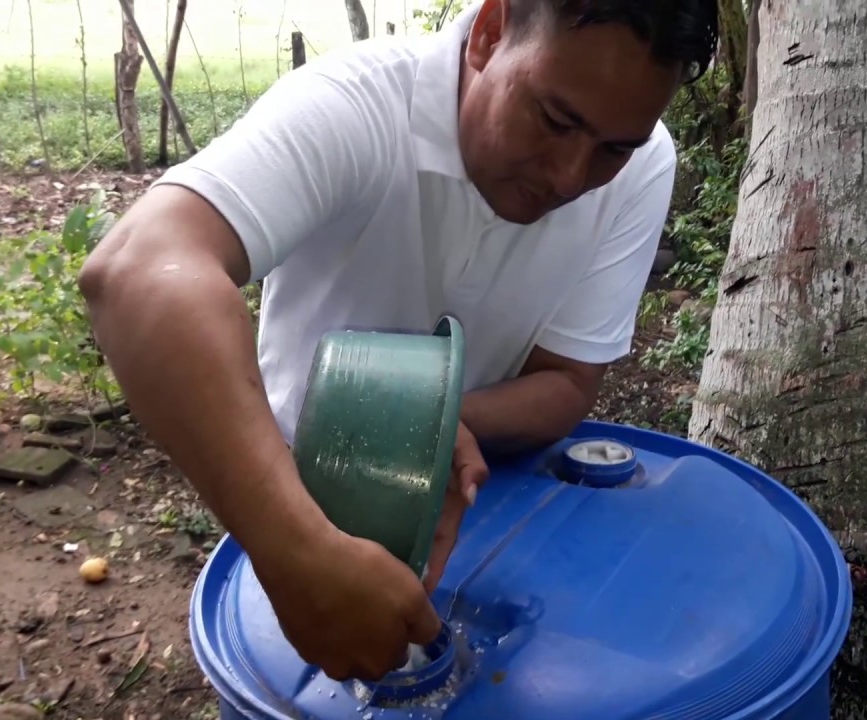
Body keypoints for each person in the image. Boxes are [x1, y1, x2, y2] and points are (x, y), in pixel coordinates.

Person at [78, 0, 717, 684]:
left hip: (483, 498)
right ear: (490, 33)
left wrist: (430, 429)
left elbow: (567, 380)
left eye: (612, 149)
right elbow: (137, 268)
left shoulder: (644, 164)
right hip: (288, 497)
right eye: (556, 121)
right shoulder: (354, 108)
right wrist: (296, 553)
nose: (570, 177)